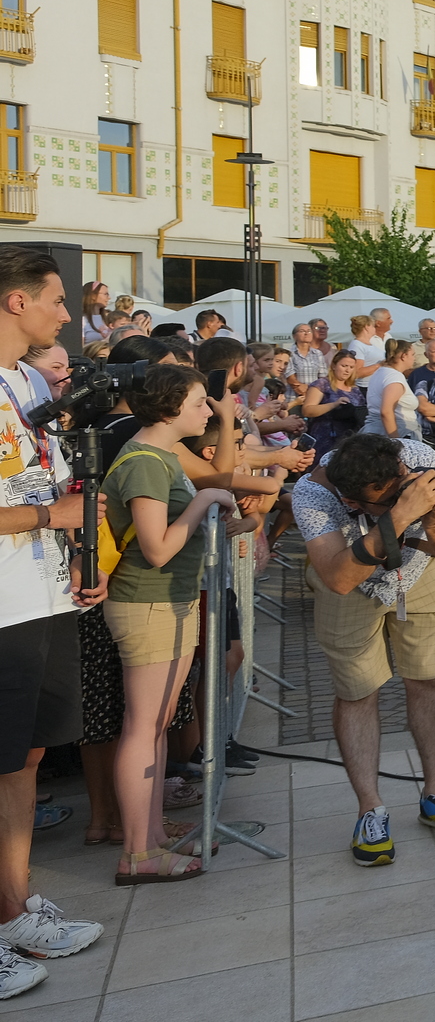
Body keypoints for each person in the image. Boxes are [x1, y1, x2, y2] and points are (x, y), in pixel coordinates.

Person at [101, 364, 256, 885]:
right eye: (197, 402)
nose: (205, 410)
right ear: (169, 408)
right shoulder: (145, 462)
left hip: (169, 602)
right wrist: (206, 502)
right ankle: (138, 853)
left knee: (156, 724)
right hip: (146, 603)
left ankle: (148, 835)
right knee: (143, 727)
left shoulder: (161, 455)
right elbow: (158, 547)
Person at [0, 250, 108, 995]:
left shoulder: (23, 381)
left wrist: (73, 550)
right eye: (57, 300)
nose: (66, 314)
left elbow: (42, 477)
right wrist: (51, 514)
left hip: (40, 593)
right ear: (15, 302)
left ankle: (13, 910)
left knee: (26, 760)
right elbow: (39, 497)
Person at [292, 433, 435, 866]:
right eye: (388, 497)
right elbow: (338, 577)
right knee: (358, 692)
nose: (405, 488)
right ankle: (370, 809)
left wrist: (431, 520)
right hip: (350, 583)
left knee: (429, 680)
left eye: (402, 483)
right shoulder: (313, 494)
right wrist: (398, 516)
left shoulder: (415, 458)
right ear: (354, 503)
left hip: (421, 574)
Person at [366, 339, 423, 441]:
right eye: (412, 354)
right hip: (397, 433)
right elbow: (386, 411)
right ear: (403, 356)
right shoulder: (394, 378)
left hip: (374, 431)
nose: (414, 358)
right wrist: (396, 442)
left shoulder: (380, 373)